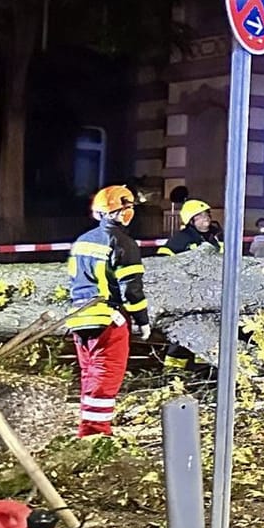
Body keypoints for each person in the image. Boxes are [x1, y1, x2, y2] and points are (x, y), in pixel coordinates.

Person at [66, 187, 151, 437]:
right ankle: (96, 433)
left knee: (89, 375)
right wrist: (142, 320)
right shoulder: (123, 243)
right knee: (105, 375)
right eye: (130, 208)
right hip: (108, 319)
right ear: (123, 211)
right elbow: (131, 290)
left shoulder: (82, 241)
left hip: (79, 317)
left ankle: (88, 428)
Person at [157, 199, 221, 371]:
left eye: (206, 215)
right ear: (191, 221)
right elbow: (163, 260)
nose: (205, 219)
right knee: (182, 334)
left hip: (210, 295)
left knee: (208, 331)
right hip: (187, 296)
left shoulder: (215, 238)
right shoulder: (182, 239)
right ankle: (172, 373)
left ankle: (203, 372)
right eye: (199, 216)